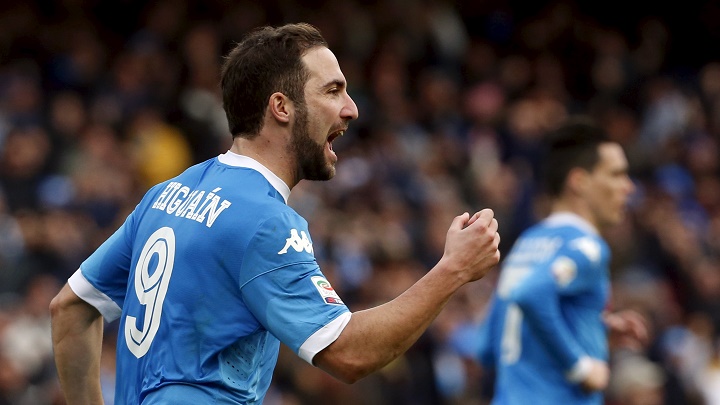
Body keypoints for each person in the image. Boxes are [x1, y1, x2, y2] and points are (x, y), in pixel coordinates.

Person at [50, 22, 501, 404]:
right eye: (333, 90)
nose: (351, 108)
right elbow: (348, 354)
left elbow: (70, 308)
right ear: (281, 107)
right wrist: (454, 269)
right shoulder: (264, 220)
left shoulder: (166, 195)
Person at [473, 116, 648, 405]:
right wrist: (580, 366)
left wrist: (592, 327)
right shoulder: (587, 246)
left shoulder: (525, 246)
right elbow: (531, 294)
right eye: (617, 174)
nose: (628, 187)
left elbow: (487, 347)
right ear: (579, 181)